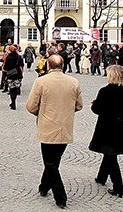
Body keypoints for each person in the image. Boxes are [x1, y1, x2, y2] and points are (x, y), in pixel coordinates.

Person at [26, 55, 83, 209]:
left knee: (50, 163)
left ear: (48, 66)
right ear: (63, 65)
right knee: (54, 161)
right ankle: (44, 186)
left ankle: (60, 196)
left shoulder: (41, 82)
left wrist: (41, 111)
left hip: (47, 126)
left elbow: (31, 106)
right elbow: (79, 105)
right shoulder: (73, 82)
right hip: (65, 127)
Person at [89, 65, 123, 198]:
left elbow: (97, 109)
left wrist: (95, 103)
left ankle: (118, 186)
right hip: (122, 127)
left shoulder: (105, 91)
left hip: (108, 127)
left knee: (111, 156)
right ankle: (101, 177)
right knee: (110, 153)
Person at [4, 45, 24, 110]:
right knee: (15, 89)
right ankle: (13, 102)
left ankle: (13, 103)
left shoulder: (8, 57)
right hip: (18, 75)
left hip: (10, 75)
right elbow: (22, 65)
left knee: (11, 89)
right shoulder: (19, 57)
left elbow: (5, 67)